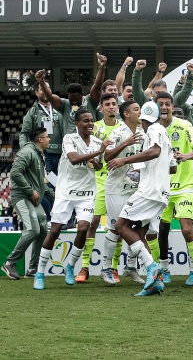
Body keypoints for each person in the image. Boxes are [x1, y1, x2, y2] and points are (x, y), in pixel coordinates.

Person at [33, 109, 111, 290]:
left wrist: (97, 161)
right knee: (55, 231)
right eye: (85, 121)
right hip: (66, 191)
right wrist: (98, 152)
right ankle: (40, 272)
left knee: (83, 228)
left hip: (87, 192)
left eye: (91, 120)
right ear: (77, 123)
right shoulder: (69, 139)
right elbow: (74, 159)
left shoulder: (98, 142)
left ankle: (70, 267)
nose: (90, 123)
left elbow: (98, 166)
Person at [107, 101, 177, 297]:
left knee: (121, 227)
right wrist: (143, 171)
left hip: (149, 191)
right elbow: (172, 167)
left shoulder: (153, 129)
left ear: (142, 118)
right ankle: (155, 281)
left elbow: (154, 151)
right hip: (161, 192)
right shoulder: (164, 132)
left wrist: (125, 159)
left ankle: (152, 267)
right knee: (138, 232)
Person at [154, 91, 193, 288]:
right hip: (161, 188)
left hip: (185, 186)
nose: (165, 107)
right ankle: (163, 270)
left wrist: (187, 155)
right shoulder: (152, 128)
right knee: (161, 229)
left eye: (168, 104)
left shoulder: (184, 126)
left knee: (187, 229)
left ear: (172, 105)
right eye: (161, 104)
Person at [97, 100, 145, 285]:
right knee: (116, 229)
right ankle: (105, 268)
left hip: (136, 188)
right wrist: (126, 143)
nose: (139, 112)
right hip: (116, 189)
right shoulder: (117, 133)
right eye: (136, 109)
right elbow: (106, 157)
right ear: (126, 114)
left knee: (135, 229)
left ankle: (131, 267)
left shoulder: (143, 133)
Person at [76, 94, 122, 283]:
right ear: (101, 108)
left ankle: (113, 268)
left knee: (118, 227)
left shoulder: (124, 128)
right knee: (92, 222)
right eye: (107, 105)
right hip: (97, 181)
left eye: (114, 104)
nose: (111, 107)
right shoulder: (93, 128)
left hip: (118, 181)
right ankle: (85, 267)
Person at [1, 127, 54, 280]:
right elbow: (15, 173)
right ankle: (10, 262)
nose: (49, 139)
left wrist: (57, 195)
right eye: (47, 137)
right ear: (40, 140)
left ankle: (33, 268)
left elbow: (40, 185)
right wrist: (31, 191)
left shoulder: (38, 155)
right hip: (22, 197)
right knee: (32, 230)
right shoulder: (27, 152)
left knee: (43, 230)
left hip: (33, 199)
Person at [19, 80, 64, 220]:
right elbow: (24, 133)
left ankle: (64, 218)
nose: (45, 91)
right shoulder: (32, 112)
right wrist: (26, 150)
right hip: (45, 156)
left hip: (63, 155)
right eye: (41, 89)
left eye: (47, 88)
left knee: (63, 186)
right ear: (36, 93)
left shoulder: (60, 107)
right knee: (46, 187)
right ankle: (49, 218)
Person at [34, 53, 107, 136]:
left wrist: (101, 68)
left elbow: (97, 86)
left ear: (82, 95)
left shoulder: (90, 101)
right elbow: (50, 97)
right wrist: (42, 82)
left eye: (77, 99)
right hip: (71, 143)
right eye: (71, 99)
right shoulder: (65, 104)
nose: (74, 102)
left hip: (90, 142)